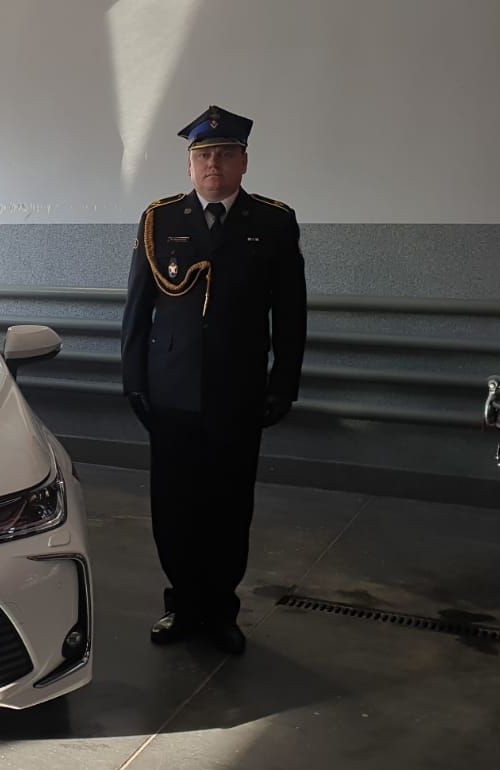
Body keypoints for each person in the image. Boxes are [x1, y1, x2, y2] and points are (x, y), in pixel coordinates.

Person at [119, 105, 308, 655]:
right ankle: (182, 605)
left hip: (238, 392)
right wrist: (134, 381)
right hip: (171, 391)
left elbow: (290, 313)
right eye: (203, 155)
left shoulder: (272, 222)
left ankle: (221, 610)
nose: (213, 165)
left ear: (244, 162)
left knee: (229, 503)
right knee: (174, 503)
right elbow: (138, 309)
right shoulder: (160, 220)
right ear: (189, 165)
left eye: (225, 154)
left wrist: (283, 383)